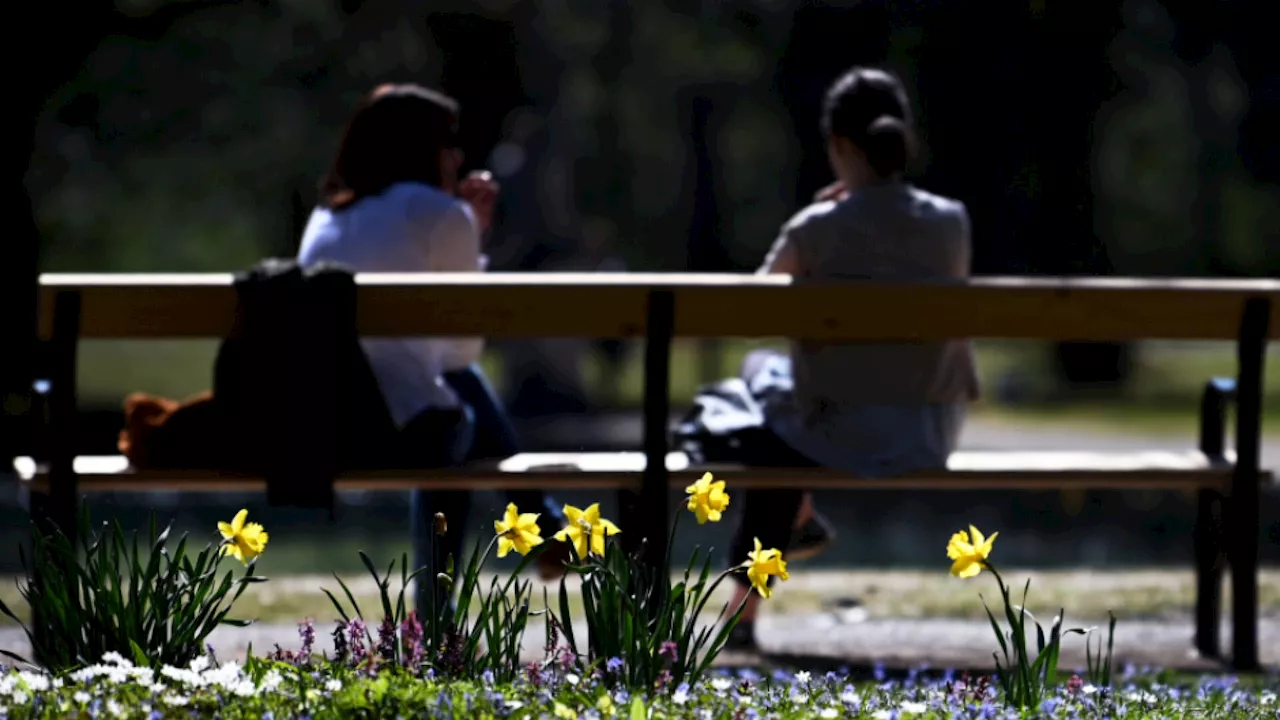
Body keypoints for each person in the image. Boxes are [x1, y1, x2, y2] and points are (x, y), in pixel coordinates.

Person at [723, 67, 981, 651]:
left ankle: (747, 604)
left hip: (837, 433)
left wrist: (823, 223)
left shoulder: (816, 227)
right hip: (929, 430)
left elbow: (746, 313)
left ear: (838, 146)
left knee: (761, 405)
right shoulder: (950, 221)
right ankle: (795, 521)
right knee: (774, 413)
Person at [295, 84, 571, 612]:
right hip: (399, 433)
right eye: (449, 141)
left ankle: (542, 525)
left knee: (448, 408)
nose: (459, 155)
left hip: (324, 426)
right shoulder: (439, 212)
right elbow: (461, 354)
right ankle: (443, 614)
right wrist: (471, 232)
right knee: (450, 420)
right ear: (420, 149)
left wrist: (466, 231)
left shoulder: (327, 215)